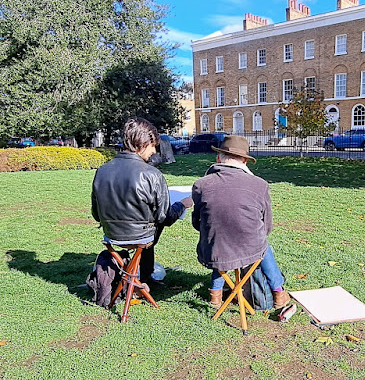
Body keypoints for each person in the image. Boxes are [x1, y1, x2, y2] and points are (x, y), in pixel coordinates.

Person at [192, 135, 290, 309]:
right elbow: (267, 227)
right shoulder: (260, 185)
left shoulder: (201, 184)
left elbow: (196, 223)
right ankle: (278, 293)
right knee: (263, 246)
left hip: (214, 251)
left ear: (218, 158)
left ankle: (216, 296)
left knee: (220, 243)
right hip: (250, 248)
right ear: (245, 160)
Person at [91, 117, 193, 283]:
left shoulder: (102, 171)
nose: (154, 151)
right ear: (144, 143)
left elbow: (96, 214)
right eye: (153, 146)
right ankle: (143, 277)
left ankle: (140, 275)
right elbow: (164, 218)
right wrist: (182, 204)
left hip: (110, 234)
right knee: (153, 227)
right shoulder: (151, 174)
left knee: (147, 224)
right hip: (140, 237)